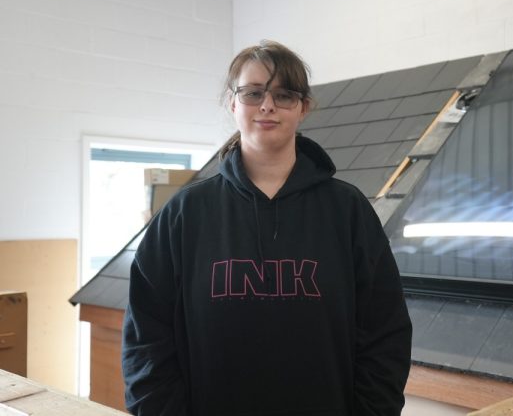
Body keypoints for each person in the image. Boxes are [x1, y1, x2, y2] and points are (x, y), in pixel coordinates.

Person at [122, 40, 413, 416]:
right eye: (253, 93)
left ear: (303, 107)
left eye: (284, 94)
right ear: (232, 103)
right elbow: (146, 339)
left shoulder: (347, 210)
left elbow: (385, 331)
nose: (267, 105)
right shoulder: (184, 213)